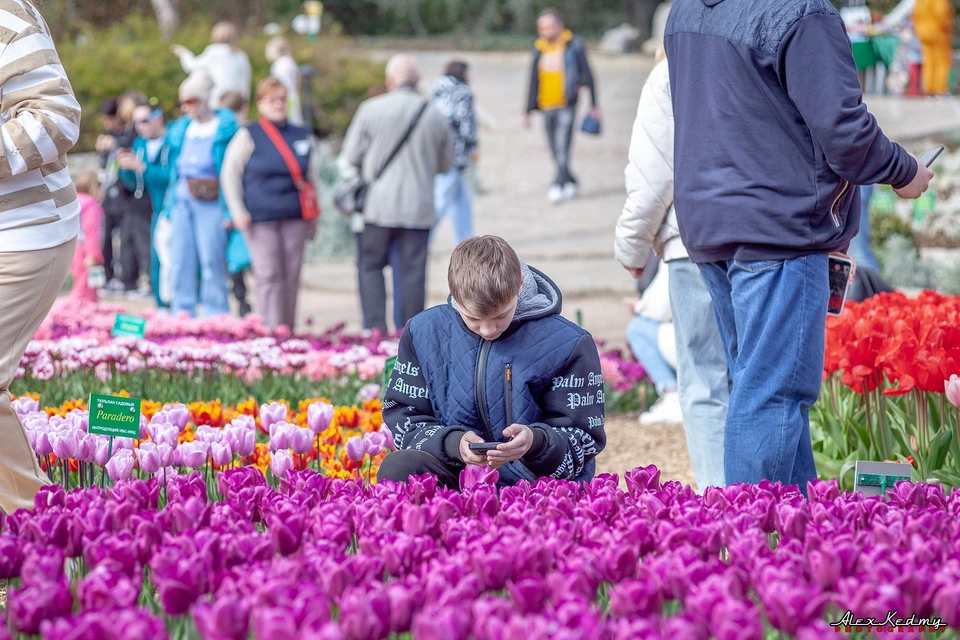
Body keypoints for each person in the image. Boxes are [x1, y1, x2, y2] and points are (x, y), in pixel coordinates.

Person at [664, 0, 934, 491]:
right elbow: (845, 133)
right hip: (778, 226)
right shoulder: (801, 10)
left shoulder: (686, 10)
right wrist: (905, 170)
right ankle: (753, 544)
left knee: (762, 389)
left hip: (712, 221)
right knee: (772, 395)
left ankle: (798, 540)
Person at [377, 236, 606, 489]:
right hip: (457, 473)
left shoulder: (569, 342)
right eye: (473, 318)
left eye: (500, 315)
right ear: (454, 293)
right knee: (398, 468)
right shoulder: (423, 332)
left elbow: (584, 438)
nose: (487, 329)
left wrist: (535, 442)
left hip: (534, 485)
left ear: (519, 284)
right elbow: (406, 417)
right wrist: (454, 444)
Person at [615, 53, 728, 491]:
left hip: (693, 238)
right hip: (771, 236)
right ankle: (771, 503)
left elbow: (653, 173)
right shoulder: (771, 48)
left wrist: (632, 245)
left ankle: (720, 499)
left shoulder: (672, 68)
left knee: (704, 380)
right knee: (762, 383)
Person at [0, 0, 81, 513]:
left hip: (22, 233)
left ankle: (35, 525)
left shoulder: (7, 16)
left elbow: (56, 118)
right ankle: (34, 522)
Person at [341, 54, 454, 335]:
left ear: (390, 81)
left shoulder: (370, 109)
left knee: (370, 266)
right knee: (413, 272)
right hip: (418, 207)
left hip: (377, 206)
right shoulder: (436, 115)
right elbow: (445, 165)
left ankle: (374, 327)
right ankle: (409, 333)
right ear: (416, 81)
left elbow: (351, 155)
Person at [222, 77, 318, 330]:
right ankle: (270, 328)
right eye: (272, 100)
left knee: (291, 275)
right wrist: (237, 210)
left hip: (294, 215)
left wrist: (314, 214)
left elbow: (311, 177)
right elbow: (230, 173)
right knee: (268, 274)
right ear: (261, 104)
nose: (278, 105)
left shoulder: (300, 134)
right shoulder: (249, 134)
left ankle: (287, 328)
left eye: (282, 99)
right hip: (260, 216)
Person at [161, 71, 240, 318]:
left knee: (211, 261)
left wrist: (231, 210)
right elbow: (174, 171)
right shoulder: (182, 130)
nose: (186, 107)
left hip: (213, 202)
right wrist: (169, 207)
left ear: (205, 100)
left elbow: (232, 172)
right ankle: (182, 312)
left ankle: (216, 313)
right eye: (183, 102)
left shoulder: (224, 129)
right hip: (183, 200)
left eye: (191, 101)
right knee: (180, 260)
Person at [524, 8, 599, 205]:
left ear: (559, 25)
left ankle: (557, 184)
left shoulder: (573, 45)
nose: (544, 30)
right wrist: (528, 110)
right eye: (541, 27)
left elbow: (589, 75)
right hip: (546, 105)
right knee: (553, 148)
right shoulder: (539, 48)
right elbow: (533, 79)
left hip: (567, 104)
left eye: (548, 26)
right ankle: (571, 180)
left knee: (562, 146)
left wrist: (594, 104)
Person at [118, 100, 171, 309]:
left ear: (158, 117)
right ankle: (162, 306)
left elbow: (173, 177)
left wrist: (143, 167)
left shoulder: (172, 142)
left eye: (144, 121)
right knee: (154, 259)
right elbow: (132, 183)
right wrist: (126, 168)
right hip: (145, 208)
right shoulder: (139, 144)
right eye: (136, 123)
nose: (140, 127)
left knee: (171, 260)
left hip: (169, 207)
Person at [624, 267, 683, 425]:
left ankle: (673, 397)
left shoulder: (677, 245)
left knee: (638, 329)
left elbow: (659, 308)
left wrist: (638, 307)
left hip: (696, 345)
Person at [430, 61, 478, 244]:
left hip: (437, 150)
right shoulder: (463, 92)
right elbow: (467, 124)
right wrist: (473, 146)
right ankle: (424, 237)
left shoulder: (435, 88)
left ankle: (466, 240)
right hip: (456, 153)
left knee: (461, 200)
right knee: (441, 199)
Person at [219, 91, 255, 317]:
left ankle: (242, 299)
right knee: (241, 258)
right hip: (241, 204)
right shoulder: (243, 134)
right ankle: (243, 301)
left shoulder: (224, 134)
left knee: (236, 259)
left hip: (230, 205)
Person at [171, 22, 252, 109]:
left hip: (219, 100)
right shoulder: (241, 56)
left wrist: (184, 54)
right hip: (239, 102)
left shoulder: (214, 51)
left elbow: (192, 66)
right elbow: (247, 80)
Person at [70, 173, 105, 303]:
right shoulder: (91, 206)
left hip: (75, 249)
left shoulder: (75, 202)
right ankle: (78, 316)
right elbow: (91, 232)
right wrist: (94, 255)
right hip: (86, 252)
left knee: (78, 281)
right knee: (85, 288)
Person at [914, 0, 954, 95]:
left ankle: (929, 88)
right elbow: (941, 14)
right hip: (938, 33)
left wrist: (920, 30)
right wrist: (948, 25)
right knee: (942, 61)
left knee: (928, 61)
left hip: (924, 33)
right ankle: (939, 89)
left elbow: (915, 15)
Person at [266, 37, 304, 127]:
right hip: (292, 98)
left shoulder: (280, 65)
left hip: (286, 99)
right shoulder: (289, 62)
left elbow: (280, 87)